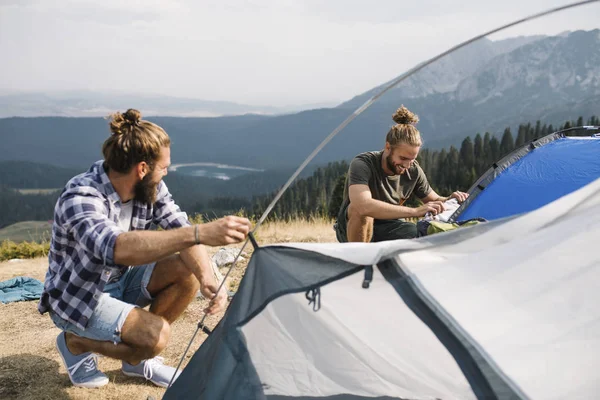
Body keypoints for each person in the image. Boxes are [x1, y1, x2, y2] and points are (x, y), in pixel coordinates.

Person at [38, 109, 253, 389]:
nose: (166, 173)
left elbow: (179, 224)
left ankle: (137, 360)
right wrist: (200, 233)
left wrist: (208, 279)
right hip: (79, 296)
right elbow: (116, 248)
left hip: (121, 279)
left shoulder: (149, 189)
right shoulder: (81, 197)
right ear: (142, 168)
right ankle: (75, 342)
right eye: (163, 167)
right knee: (157, 337)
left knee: (187, 270)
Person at [335, 105, 468, 243]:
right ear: (388, 147)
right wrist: (415, 212)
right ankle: (359, 259)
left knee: (419, 231)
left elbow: (433, 200)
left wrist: (450, 199)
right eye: (403, 158)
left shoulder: (413, 170)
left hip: (391, 226)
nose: (406, 165)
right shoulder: (363, 163)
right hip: (352, 228)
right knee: (362, 212)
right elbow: (362, 205)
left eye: (412, 160)